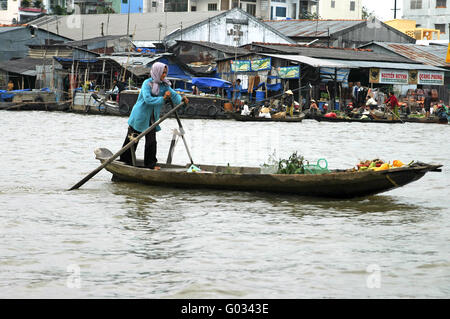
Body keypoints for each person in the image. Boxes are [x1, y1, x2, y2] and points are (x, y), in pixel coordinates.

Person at [119, 62, 189, 170]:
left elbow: (174, 96)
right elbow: (148, 99)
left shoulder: (164, 85)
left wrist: (182, 99)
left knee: (151, 141)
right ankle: (124, 163)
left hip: (151, 119)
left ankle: (150, 165)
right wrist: (163, 99)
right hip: (139, 117)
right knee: (131, 140)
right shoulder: (147, 83)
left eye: (165, 73)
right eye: (162, 73)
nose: (164, 75)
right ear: (157, 72)